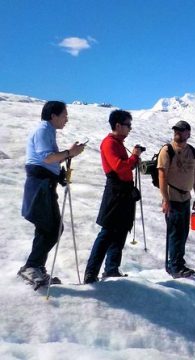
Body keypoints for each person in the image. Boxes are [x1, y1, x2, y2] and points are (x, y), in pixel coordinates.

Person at [18, 101, 86, 284]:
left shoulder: (48, 131)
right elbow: (45, 157)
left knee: (49, 227)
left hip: (45, 183)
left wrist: (61, 171)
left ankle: (36, 267)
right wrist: (69, 153)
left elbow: (49, 160)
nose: (66, 119)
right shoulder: (43, 130)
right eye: (64, 115)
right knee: (50, 227)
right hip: (40, 184)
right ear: (53, 116)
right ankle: (32, 267)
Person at [83, 110, 142, 284]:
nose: (130, 129)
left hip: (122, 192)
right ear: (118, 125)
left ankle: (111, 269)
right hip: (116, 192)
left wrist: (133, 159)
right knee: (108, 232)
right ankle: (91, 273)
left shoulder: (117, 143)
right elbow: (120, 167)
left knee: (121, 230)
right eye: (127, 125)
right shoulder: (109, 143)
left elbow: (123, 167)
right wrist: (134, 157)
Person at [158, 120, 195, 278]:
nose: (177, 132)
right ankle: (175, 266)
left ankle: (178, 263)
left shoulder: (192, 151)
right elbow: (162, 175)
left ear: (188, 133)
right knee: (175, 233)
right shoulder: (167, 150)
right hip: (173, 198)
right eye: (176, 130)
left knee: (183, 232)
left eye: (181, 130)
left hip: (186, 198)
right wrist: (165, 199)